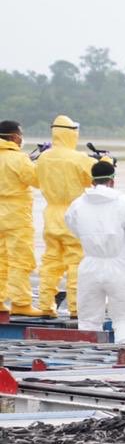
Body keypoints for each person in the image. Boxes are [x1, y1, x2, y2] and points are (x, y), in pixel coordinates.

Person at [64, 161, 125, 345]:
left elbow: (72, 227)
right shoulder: (124, 203)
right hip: (118, 264)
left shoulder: (77, 204)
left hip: (90, 264)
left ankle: (87, 357)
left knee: (88, 319)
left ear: (92, 181)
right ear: (112, 180)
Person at [35, 115, 95, 318]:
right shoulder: (79, 158)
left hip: (51, 213)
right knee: (76, 262)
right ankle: (76, 307)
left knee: (50, 261)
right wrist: (104, 161)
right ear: (71, 134)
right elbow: (95, 179)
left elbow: (36, 179)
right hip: (74, 214)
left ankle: (45, 305)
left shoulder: (44, 157)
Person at [0, 121, 40, 316]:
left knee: (0, 260)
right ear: (14, 137)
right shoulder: (18, 158)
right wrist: (37, 164)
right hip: (15, 216)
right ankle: (21, 303)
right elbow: (37, 180)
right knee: (20, 260)